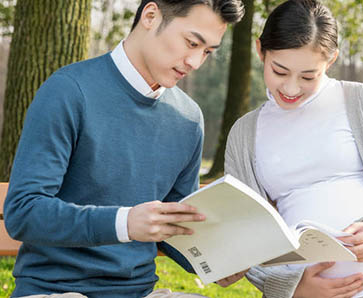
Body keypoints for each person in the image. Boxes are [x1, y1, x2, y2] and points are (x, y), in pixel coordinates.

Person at [3, 1, 244, 297]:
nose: (195, 62)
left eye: (207, 51)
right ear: (151, 16)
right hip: (58, 290)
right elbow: (23, 211)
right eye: (191, 43)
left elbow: (175, 226)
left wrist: (214, 261)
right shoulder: (68, 91)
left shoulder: (188, 118)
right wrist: (124, 223)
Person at [223, 0, 363, 297]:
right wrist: (294, 288)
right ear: (260, 51)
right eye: (279, 71)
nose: (290, 88)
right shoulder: (244, 134)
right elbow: (245, 235)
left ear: (330, 60)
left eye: (307, 76)